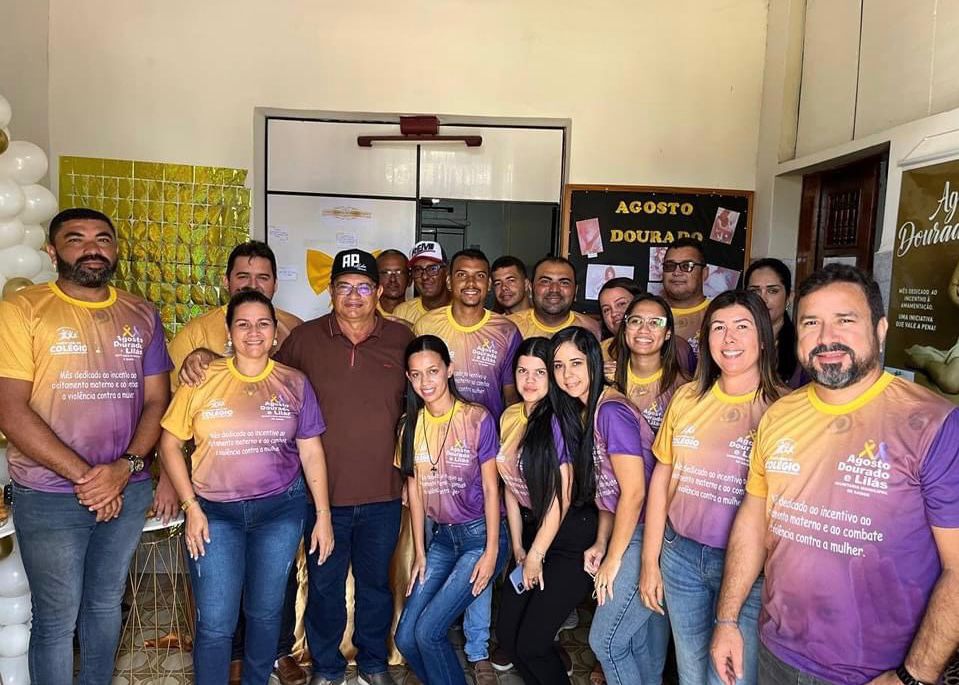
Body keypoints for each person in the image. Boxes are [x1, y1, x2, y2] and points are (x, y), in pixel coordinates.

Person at [711, 265, 959, 685]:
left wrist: (913, 676)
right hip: (777, 651)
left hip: (879, 671)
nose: (826, 337)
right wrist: (727, 619)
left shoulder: (933, 424)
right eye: (811, 323)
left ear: (880, 329)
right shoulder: (779, 414)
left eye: (845, 320)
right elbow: (753, 520)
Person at [0, 208, 172, 685]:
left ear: (115, 250)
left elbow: (157, 401)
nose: (92, 248)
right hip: (49, 494)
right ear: (52, 252)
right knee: (56, 618)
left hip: (127, 488)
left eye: (103, 239)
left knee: (104, 603)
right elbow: (10, 411)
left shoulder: (141, 312)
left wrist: (123, 469)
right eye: (76, 239)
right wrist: (90, 479)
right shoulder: (22, 310)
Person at [158, 289, 335, 685]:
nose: (254, 332)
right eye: (243, 324)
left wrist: (323, 515)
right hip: (214, 515)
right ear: (229, 331)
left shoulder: (294, 382)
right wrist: (191, 507)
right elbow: (169, 444)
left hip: (280, 512)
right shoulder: (202, 378)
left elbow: (311, 451)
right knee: (215, 622)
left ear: (274, 332)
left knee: (265, 614)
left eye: (263, 324)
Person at [274, 249, 413, 685]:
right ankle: (328, 666)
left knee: (375, 586)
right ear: (331, 291)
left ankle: (373, 663)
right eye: (344, 287)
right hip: (322, 497)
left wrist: (412, 475)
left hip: (383, 492)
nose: (354, 296)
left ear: (379, 291)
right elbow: (271, 395)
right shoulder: (304, 340)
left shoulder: (402, 338)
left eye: (363, 287)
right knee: (325, 586)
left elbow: (419, 412)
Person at [640, 290, 784, 685]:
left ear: (763, 338)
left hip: (750, 571)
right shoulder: (687, 397)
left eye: (742, 326)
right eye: (718, 328)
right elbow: (662, 478)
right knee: (691, 673)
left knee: (731, 678)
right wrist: (650, 561)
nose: (729, 338)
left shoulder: (783, 408)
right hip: (681, 557)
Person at [412, 248, 520, 680]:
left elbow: (511, 395)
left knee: (480, 556)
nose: (471, 283)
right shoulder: (428, 324)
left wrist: (508, 453)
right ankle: (438, 630)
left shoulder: (505, 330)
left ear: (489, 283)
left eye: (480, 275)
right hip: (436, 460)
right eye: (462, 274)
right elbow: (416, 380)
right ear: (449, 280)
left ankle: (477, 650)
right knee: (445, 552)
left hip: (481, 453)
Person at [549, 327, 668, 684]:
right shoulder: (589, 411)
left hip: (644, 532)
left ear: (594, 362)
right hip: (627, 531)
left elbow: (634, 493)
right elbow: (609, 492)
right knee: (639, 641)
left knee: (606, 642)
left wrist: (613, 559)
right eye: (558, 366)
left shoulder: (610, 411)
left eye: (576, 363)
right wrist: (602, 542)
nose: (567, 374)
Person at [394, 335, 507, 685]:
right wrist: (420, 553)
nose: (425, 382)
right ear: (408, 378)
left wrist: (491, 552)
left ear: (449, 369)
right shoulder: (409, 425)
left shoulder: (476, 418)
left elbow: (491, 488)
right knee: (405, 638)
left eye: (433, 371)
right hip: (442, 540)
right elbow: (415, 492)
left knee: (428, 633)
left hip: (479, 537)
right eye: (416, 374)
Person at [494, 337, 596, 684]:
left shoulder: (558, 420)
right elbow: (509, 484)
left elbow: (560, 497)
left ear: (552, 377)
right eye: (522, 371)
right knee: (508, 636)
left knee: (533, 645)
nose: (530, 380)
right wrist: (519, 547)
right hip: (533, 531)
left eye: (540, 372)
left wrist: (535, 555)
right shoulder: (510, 416)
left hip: (569, 535)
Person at [613, 293, 689, 433]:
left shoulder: (683, 388)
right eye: (636, 321)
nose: (643, 330)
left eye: (655, 322)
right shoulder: (607, 378)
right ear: (625, 329)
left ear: (668, 333)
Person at [745, 258, 804, 389]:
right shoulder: (732, 341)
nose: (763, 299)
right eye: (755, 291)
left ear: (789, 297)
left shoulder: (802, 346)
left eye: (772, 291)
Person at [509, 256, 602, 340]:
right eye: (545, 281)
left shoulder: (591, 329)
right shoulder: (509, 327)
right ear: (530, 287)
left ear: (575, 290)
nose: (554, 289)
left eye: (564, 283)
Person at [661, 238, 710, 357]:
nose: (676, 272)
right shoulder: (648, 312)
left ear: (704, 273)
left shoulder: (718, 312)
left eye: (687, 266)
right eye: (670, 266)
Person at [392, 241, 451, 326]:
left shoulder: (461, 310)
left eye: (432, 269)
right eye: (418, 270)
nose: (424, 276)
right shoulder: (402, 312)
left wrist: (413, 330)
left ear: (447, 271)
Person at [376, 249, 411, 315]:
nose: (393, 279)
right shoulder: (365, 312)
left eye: (399, 272)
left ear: (410, 279)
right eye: (386, 273)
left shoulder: (419, 315)